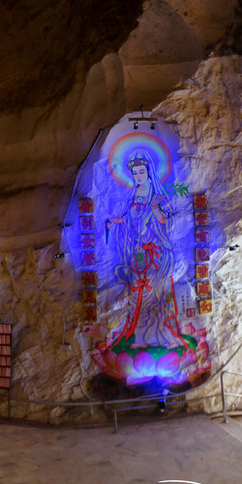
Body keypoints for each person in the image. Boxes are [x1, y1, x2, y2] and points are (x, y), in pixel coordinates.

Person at [101, 147, 188, 358]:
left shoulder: (157, 195)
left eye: (141, 171)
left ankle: (164, 336)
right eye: (135, 173)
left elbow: (164, 222)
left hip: (156, 255)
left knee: (157, 294)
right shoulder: (133, 196)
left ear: (149, 171)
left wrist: (156, 208)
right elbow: (131, 220)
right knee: (138, 296)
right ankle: (140, 338)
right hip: (137, 255)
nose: (138, 176)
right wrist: (116, 222)